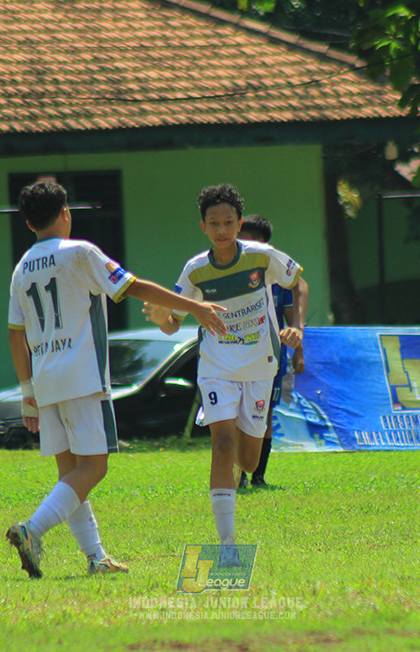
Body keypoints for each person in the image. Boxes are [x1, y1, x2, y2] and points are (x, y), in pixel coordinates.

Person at [5, 181, 226, 579]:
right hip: (83, 376)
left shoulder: (22, 268)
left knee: (70, 473)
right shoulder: (80, 252)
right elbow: (131, 286)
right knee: (94, 467)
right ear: (65, 213)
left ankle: (96, 558)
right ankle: (31, 530)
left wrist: (26, 392)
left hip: (46, 379)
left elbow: (15, 332)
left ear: (27, 222)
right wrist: (194, 306)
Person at [144, 184, 306, 563]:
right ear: (203, 227)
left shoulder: (262, 258)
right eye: (214, 223)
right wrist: (160, 318)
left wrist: (297, 327)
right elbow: (172, 323)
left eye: (228, 222)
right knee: (221, 445)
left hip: (260, 365)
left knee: (248, 462)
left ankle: (236, 465)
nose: (221, 230)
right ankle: (227, 545)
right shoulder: (195, 270)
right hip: (217, 366)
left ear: (239, 224)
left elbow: (296, 281)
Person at [236, 214, 308, 489]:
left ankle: (257, 476)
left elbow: (292, 316)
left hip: (271, 356)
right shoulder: (227, 273)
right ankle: (237, 474)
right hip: (235, 355)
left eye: (252, 242)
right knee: (234, 412)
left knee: (262, 413)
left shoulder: (277, 276)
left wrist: (298, 351)